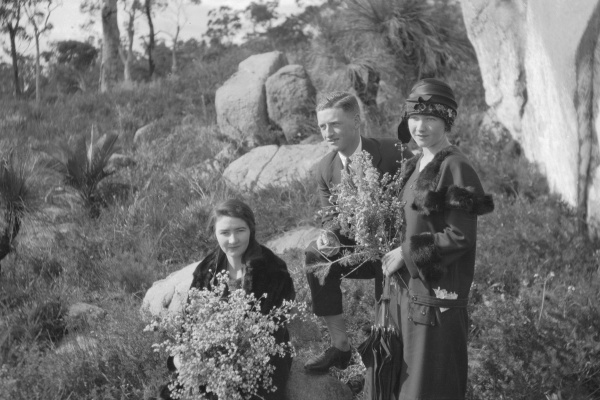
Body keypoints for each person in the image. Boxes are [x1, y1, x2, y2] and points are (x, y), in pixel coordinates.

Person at [381, 78, 494, 399]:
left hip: (436, 300)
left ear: (446, 121)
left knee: (428, 389)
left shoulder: (456, 166)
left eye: (430, 118)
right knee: (402, 385)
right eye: (415, 118)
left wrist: (406, 253)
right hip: (407, 295)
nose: (420, 126)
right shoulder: (416, 164)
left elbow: (460, 237)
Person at [303, 91, 412, 374]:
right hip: (359, 251)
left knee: (387, 276)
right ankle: (340, 347)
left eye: (335, 124)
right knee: (315, 255)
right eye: (323, 127)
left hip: (397, 249)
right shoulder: (326, 168)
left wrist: (399, 245)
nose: (328, 133)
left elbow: (416, 206)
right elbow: (332, 218)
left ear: (356, 122)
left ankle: (385, 350)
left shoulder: (393, 151)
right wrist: (328, 236)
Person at [160, 199, 295, 400]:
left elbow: (274, 329)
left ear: (251, 229)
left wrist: (235, 362)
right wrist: (183, 357)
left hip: (261, 359)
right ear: (215, 233)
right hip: (211, 357)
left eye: (240, 230)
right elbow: (190, 321)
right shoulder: (206, 269)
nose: (233, 240)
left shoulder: (273, 270)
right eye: (225, 233)